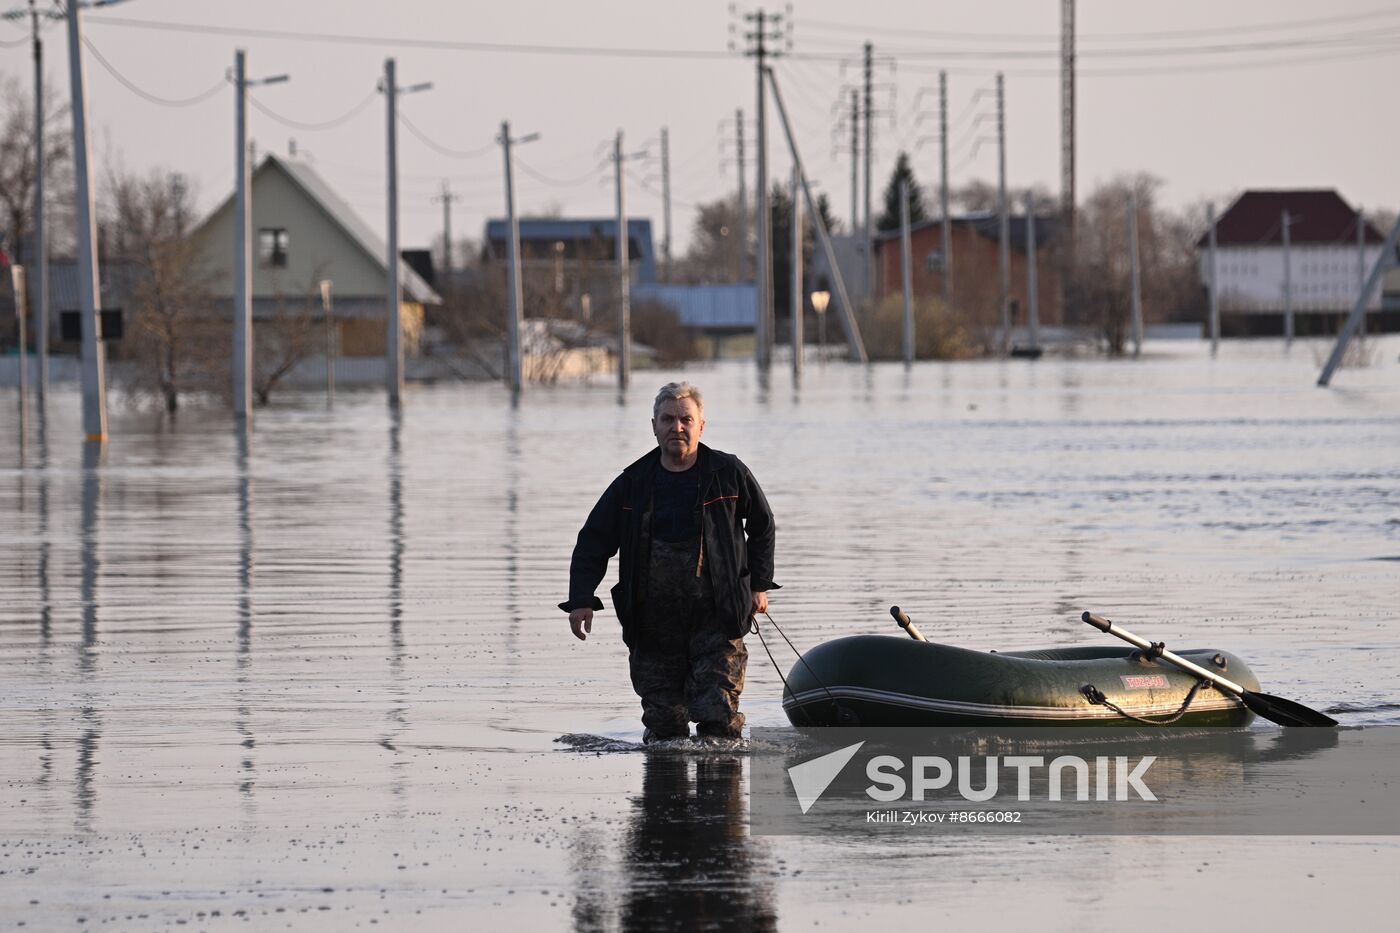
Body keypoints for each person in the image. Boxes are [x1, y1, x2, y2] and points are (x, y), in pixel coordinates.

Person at [559, 382, 778, 743]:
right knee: (664, 731)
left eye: (685, 419)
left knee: (718, 722)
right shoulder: (633, 483)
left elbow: (762, 526)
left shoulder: (728, 473)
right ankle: (663, 795)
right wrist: (581, 599)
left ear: (701, 426)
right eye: (668, 419)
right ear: (654, 426)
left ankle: (721, 793)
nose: (677, 427)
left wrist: (758, 586)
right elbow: (593, 542)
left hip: (718, 616)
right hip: (653, 622)